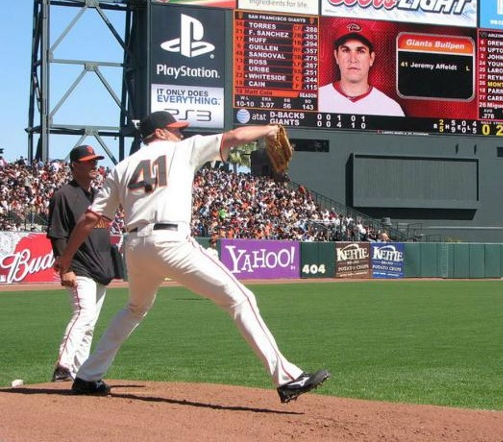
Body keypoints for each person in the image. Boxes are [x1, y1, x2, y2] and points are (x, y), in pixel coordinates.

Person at [54, 111, 330, 403]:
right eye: (175, 129)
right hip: (171, 240)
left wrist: (66, 258)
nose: (180, 134)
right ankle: (287, 378)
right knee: (240, 298)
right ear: (159, 133)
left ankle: (87, 376)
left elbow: (92, 218)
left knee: (134, 308)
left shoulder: (121, 168)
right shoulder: (182, 150)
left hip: (135, 245)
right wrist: (270, 129)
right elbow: (235, 137)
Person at [47, 145, 116, 382]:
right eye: (88, 161)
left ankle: (78, 374)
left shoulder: (97, 196)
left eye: (95, 160)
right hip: (80, 266)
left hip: (100, 267)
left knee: (90, 324)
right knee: (83, 314)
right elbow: (57, 234)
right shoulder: (63, 195)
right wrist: (66, 269)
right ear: (75, 165)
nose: (94, 165)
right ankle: (63, 366)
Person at [318, 21, 405, 117]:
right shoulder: (317, 99)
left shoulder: (391, 109)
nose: (353, 59)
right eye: (346, 50)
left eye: (360, 51)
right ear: (336, 56)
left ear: (371, 58)